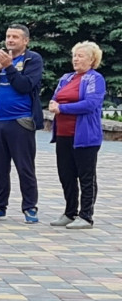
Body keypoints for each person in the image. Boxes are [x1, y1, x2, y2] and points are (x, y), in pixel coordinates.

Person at [0, 24, 44, 223]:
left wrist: (9, 67)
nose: (10, 40)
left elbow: (25, 86)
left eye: (15, 37)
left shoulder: (33, 59)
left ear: (25, 41)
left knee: (25, 167)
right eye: (8, 36)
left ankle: (30, 207)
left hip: (21, 121)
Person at [48, 41, 106, 229]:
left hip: (85, 136)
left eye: (80, 56)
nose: (76, 59)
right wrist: (53, 104)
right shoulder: (66, 78)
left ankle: (86, 216)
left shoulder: (95, 79)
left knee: (86, 177)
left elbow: (90, 104)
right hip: (63, 135)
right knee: (66, 175)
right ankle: (70, 212)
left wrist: (62, 108)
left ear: (92, 60)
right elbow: (55, 98)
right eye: (74, 55)